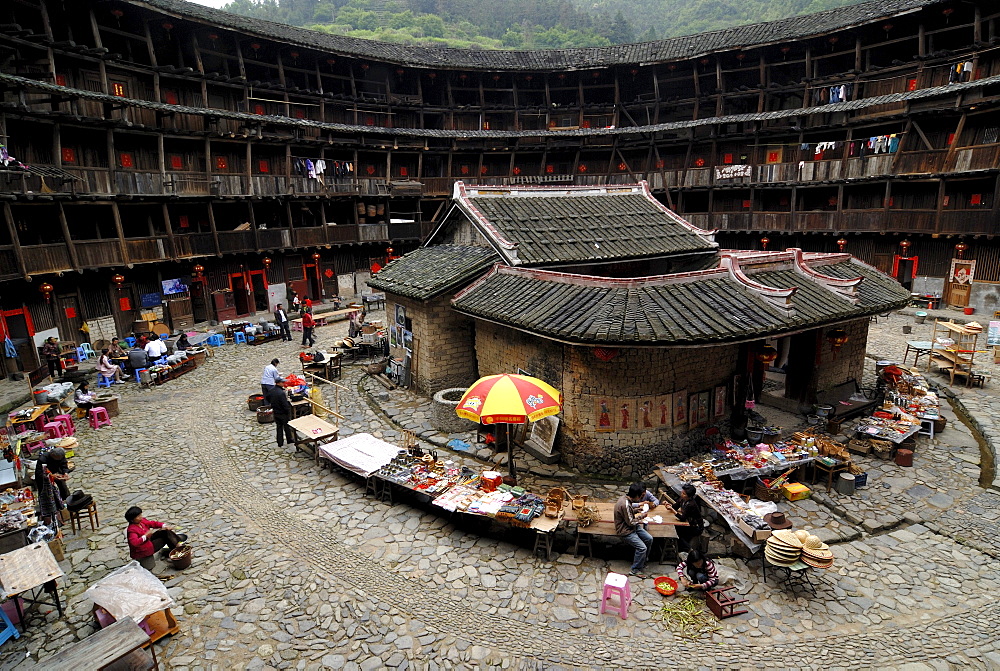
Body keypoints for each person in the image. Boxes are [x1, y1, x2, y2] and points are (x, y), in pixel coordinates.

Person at [125, 506, 187, 571]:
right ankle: (178, 549)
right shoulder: (131, 530)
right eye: (138, 516)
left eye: (140, 515)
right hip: (144, 548)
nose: (141, 517)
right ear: (132, 520)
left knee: (165, 532)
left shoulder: (141, 521)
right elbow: (135, 543)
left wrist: (164, 526)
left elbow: (152, 523)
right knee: (166, 538)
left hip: (148, 540)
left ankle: (178, 546)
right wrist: (145, 536)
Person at [614, 482, 653, 577]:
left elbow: (628, 513)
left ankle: (642, 560)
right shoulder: (625, 504)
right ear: (636, 496)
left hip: (632, 526)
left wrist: (636, 510)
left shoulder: (626, 499)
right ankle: (635, 569)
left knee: (649, 538)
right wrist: (641, 516)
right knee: (642, 548)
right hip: (625, 530)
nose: (640, 499)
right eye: (640, 497)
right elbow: (631, 522)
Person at [35, 447, 69, 525]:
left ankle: (65, 506)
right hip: (45, 479)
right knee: (47, 496)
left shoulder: (61, 457)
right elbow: (40, 474)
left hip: (56, 473)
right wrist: (51, 476)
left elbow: (64, 464)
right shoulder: (43, 459)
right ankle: (49, 515)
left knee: (63, 488)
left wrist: (65, 473)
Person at [672, 483, 704, 552]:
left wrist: (673, 511)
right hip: (688, 521)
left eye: (684, 494)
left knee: (678, 531)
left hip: (695, 526)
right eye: (682, 492)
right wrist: (669, 505)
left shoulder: (691, 504)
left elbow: (682, 518)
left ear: (689, 496)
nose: (682, 494)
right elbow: (675, 506)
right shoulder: (682, 499)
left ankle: (687, 549)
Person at [265, 379, 295, 448]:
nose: (284, 383)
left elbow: (267, 397)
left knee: (279, 427)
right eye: (282, 382)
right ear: (278, 383)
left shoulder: (271, 390)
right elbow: (284, 404)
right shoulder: (281, 393)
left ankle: (280, 442)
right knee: (287, 427)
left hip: (276, 412)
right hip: (283, 412)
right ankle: (289, 439)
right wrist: (288, 412)